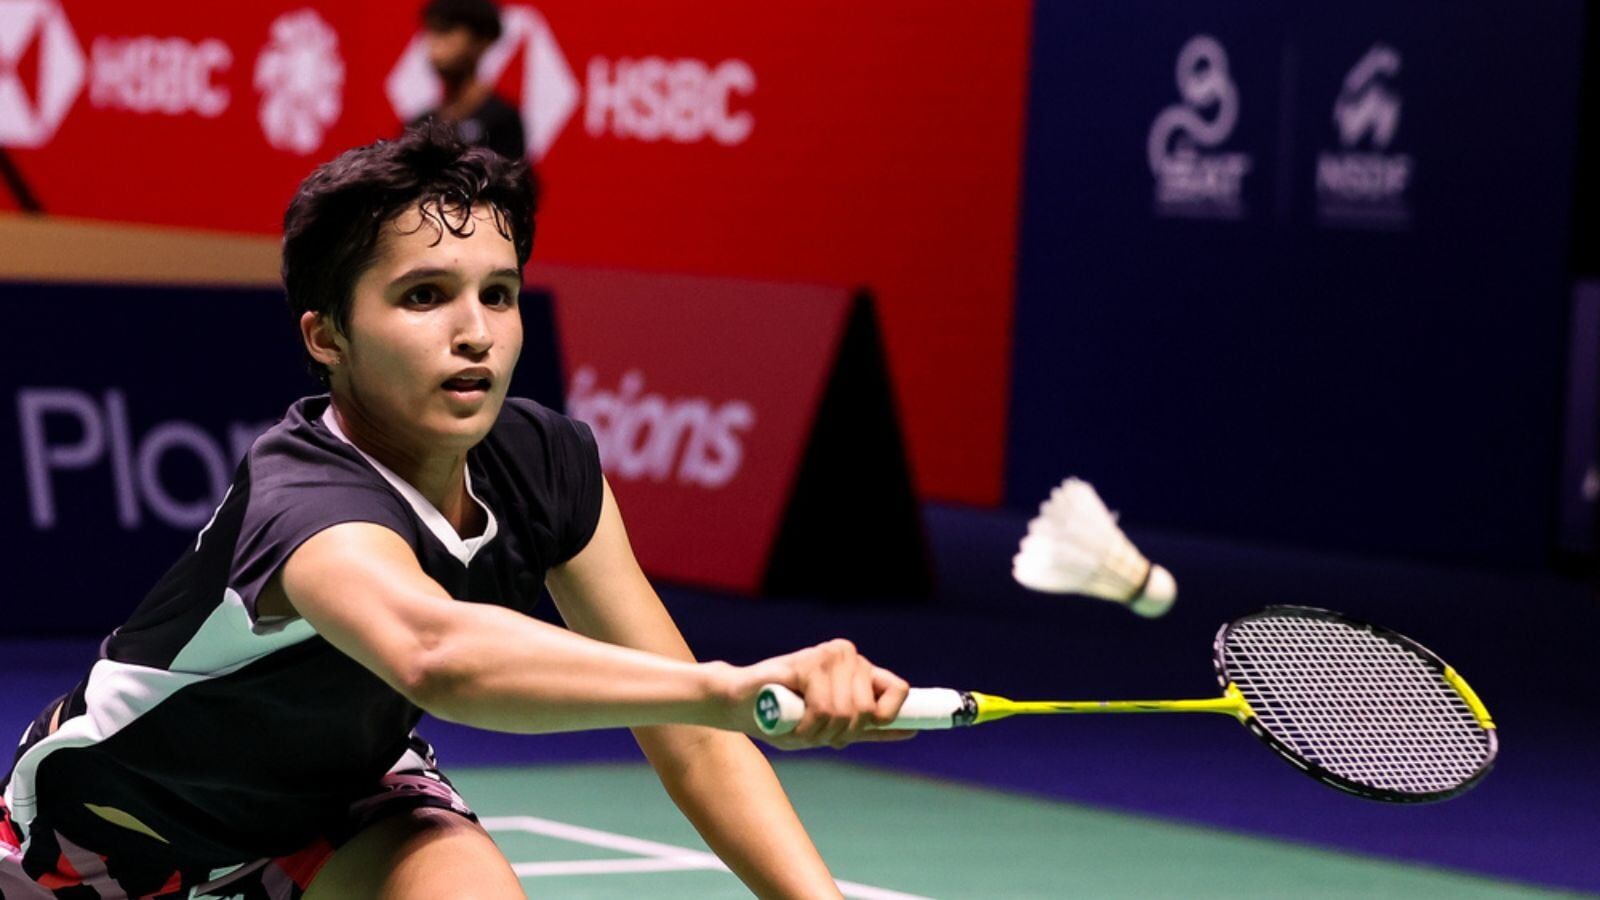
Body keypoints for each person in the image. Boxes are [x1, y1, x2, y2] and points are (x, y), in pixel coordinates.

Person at [0, 123, 910, 899]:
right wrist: (727, 690)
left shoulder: (546, 465)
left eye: (498, 294)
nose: (475, 332)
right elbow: (435, 655)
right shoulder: (304, 499)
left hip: (337, 808)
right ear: (326, 335)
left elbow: (695, 743)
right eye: (424, 296)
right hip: (103, 841)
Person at [412, 0, 527, 161]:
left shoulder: (502, 120)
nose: (435, 43)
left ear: (482, 40)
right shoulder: (419, 124)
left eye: (446, 30)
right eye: (431, 31)